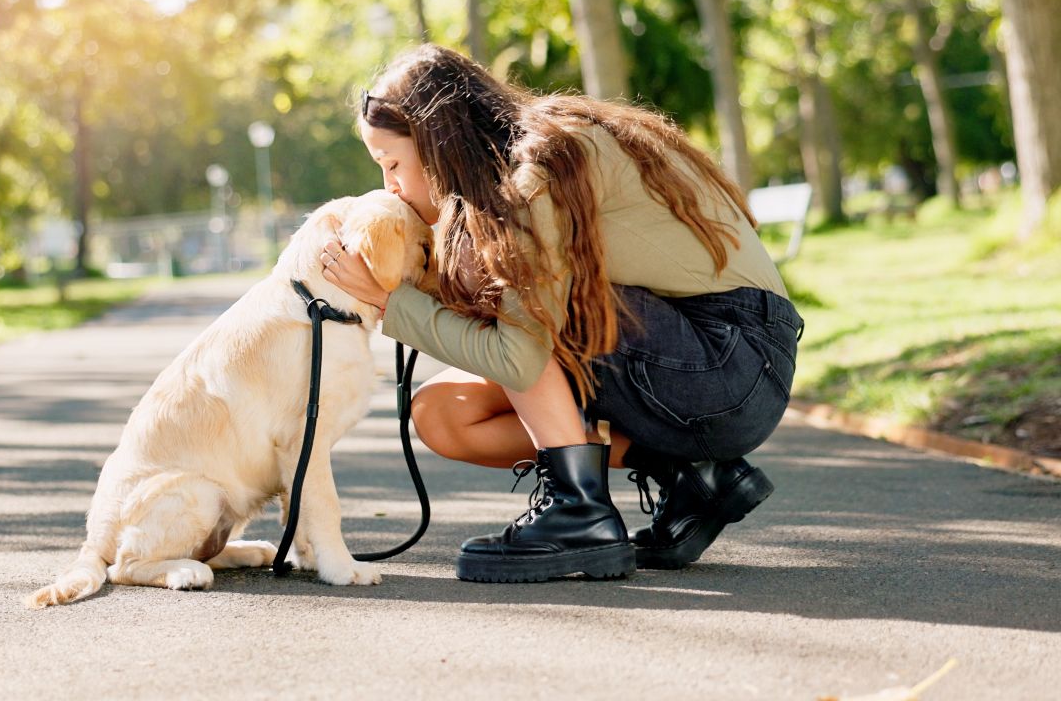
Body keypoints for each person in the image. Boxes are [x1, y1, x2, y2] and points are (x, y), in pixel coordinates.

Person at [319, 44, 803, 583]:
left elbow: (520, 358)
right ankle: (694, 476)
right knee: (443, 413)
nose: (390, 185)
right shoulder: (519, 167)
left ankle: (580, 514)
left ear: (437, 142)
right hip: (707, 361)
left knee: (515, 301)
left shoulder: (535, 174)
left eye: (392, 164)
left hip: (730, 364)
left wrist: (389, 303)